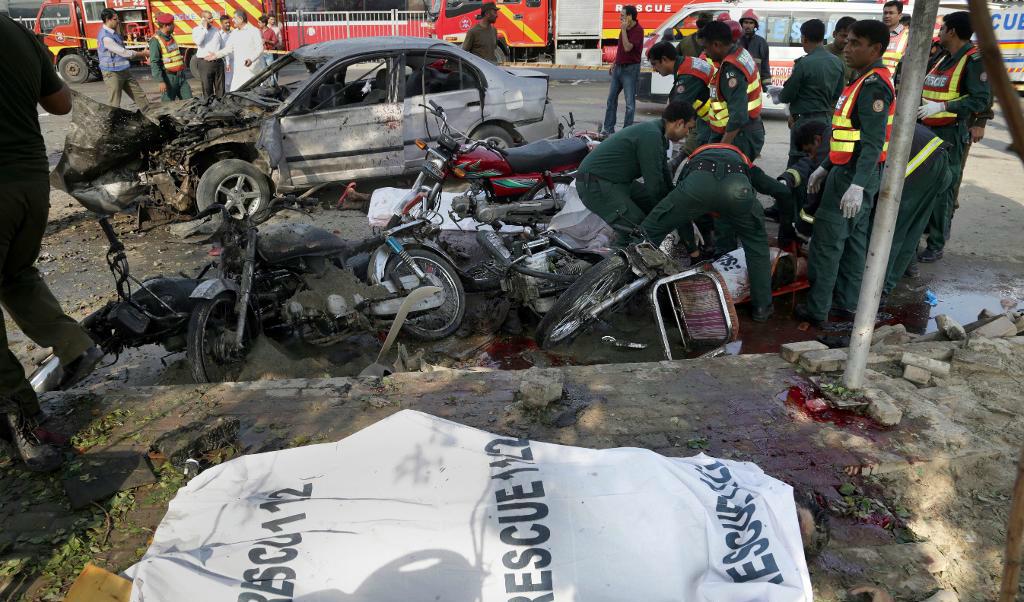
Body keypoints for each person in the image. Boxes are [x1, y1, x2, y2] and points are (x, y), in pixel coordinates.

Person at [0, 15, 103, 472]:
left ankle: (20, 416)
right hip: (29, 186)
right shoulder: (16, 30)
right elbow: (60, 103)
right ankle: (73, 343)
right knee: (15, 276)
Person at [795, 19, 895, 327]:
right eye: (848, 41)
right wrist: (825, 166)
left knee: (827, 243)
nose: (847, 48)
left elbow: (873, 142)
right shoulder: (861, 80)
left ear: (875, 48)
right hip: (849, 171)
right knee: (853, 243)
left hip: (853, 177)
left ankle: (818, 309)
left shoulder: (873, 86)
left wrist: (857, 185)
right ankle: (847, 304)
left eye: (855, 43)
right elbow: (848, 136)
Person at [788, 120, 953, 301]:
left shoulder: (832, 138)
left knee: (890, 230)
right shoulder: (838, 131)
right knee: (911, 227)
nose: (812, 157)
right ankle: (906, 268)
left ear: (817, 140)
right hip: (935, 155)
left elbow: (823, 194)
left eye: (809, 151)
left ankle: (879, 291)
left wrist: (803, 228)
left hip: (921, 162)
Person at [637, 140, 792, 322]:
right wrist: (787, 230)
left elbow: (683, 219)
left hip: (697, 187)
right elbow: (779, 191)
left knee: (650, 230)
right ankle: (761, 308)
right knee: (757, 246)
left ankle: (631, 289)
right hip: (737, 191)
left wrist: (693, 252)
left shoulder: (691, 162)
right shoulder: (744, 161)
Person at [916, 11, 991, 264]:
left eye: (943, 27)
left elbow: (979, 99)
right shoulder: (943, 57)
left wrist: (942, 106)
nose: (939, 31)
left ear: (953, 32)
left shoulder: (973, 60)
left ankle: (936, 243)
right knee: (922, 185)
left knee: (943, 189)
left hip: (949, 133)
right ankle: (922, 232)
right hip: (926, 130)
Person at [576, 102, 693, 243]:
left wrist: (675, 205)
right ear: (679, 123)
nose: (688, 134)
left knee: (651, 213)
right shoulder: (651, 135)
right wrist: (665, 215)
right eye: (689, 128)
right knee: (637, 231)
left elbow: (664, 178)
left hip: (617, 181)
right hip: (596, 184)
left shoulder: (659, 135)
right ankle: (615, 263)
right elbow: (654, 184)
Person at [776, 19, 844, 166]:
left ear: (804, 38)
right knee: (818, 163)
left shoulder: (803, 63)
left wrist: (779, 94)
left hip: (803, 124)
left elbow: (786, 95)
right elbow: (837, 94)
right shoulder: (838, 62)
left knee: (797, 165)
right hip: (825, 121)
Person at [703, 20, 765, 160]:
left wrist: (721, 149)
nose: (705, 53)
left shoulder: (731, 69)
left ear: (717, 45)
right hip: (748, 129)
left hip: (740, 135)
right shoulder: (740, 52)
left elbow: (738, 117)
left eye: (706, 48)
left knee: (729, 178)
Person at [601, 5, 644, 136]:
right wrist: (614, 62)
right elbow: (620, 49)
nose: (620, 18)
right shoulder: (623, 29)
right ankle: (608, 129)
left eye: (623, 16)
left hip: (630, 70)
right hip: (619, 67)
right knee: (611, 99)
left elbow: (627, 47)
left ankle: (626, 132)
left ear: (630, 17)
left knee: (629, 103)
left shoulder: (638, 31)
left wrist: (624, 30)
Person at [96, 8, 150, 109]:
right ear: (108, 20)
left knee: (140, 96)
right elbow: (124, 53)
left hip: (124, 70)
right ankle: (112, 123)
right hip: (112, 73)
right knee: (114, 104)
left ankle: (150, 117)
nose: (118, 21)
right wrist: (143, 53)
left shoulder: (113, 32)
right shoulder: (106, 37)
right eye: (116, 19)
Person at [206, 11, 264, 92]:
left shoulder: (254, 31)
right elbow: (228, 49)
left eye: (234, 18)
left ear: (240, 19)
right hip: (238, 71)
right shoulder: (234, 33)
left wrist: (251, 59)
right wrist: (216, 55)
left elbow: (260, 49)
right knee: (235, 93)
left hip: (251, 70)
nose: (232, 20)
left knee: (251, 95)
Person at [149, 13, 192, 101]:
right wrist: (160, 81)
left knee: (190, 102)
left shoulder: (170, 37)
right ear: (166, 26)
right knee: (167, 107)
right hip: (169, 78)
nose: (174, 25)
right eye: (172, 24)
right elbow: (154, 62)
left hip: (181, 76)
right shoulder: (155, 40)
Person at [192, 10, 225, 98]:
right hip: (205, 63)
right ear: (203, 19)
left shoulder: (216, 30)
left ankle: (221, 107)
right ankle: (209, 107)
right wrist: (205, 29)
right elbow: (198, 42)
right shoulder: (196, 30)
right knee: (207, 88)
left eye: (212, 17)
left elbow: (221, 45)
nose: (212, 20)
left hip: (218, 62)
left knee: (221, 88)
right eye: (209, 18)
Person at [738, 9, 771, 89]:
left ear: (755, 25)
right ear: (742, 24)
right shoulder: (736, 41)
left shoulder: (761, 43)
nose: (748, 26)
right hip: (738, 86)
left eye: (751, 23)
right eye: (746, 22)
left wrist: (766, 88)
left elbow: (765, 68)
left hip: (755, 87)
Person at [881, 0, 908, 77]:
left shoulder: (907, 35)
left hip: (895, 82)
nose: (887, 16)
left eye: (891, 13)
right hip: (875, 79)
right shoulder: (876, 33)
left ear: (900, 15)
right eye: (885, 13)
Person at [827, 16, 857, 85]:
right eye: (844, 36)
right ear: (834, 34)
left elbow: (853, 85)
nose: (846, 40)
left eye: (850, 38)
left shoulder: (853, 59)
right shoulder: (820, 53)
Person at [258, 15, 279, 84]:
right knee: (263, 70)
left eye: (259, 22)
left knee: (271, 69)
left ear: (264, 24)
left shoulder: (271, 31)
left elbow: (275, 42)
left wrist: (266, 41)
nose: (258, 24)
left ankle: (273, 84)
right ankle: (264, 84)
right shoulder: (258, 31)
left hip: (269, 53)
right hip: (261, 53)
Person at [219, 15, 234, 91]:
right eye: (226, 23)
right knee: (225, 82)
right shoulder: (219, 35)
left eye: (229, 22)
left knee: (232, 80)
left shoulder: (234, 33)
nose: (228, 24)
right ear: (221, 24)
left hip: (233, 61)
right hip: (223, 61)